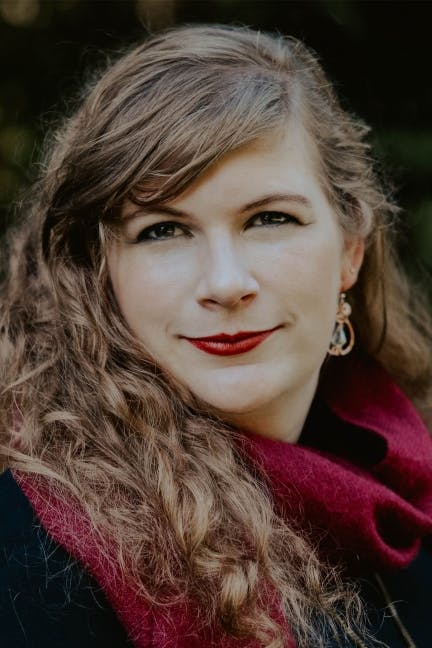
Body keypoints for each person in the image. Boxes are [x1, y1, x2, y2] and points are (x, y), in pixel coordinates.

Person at [0, 23, 431, 648]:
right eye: (162, 230)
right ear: (100, 273)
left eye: (270, 219)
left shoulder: (404, 490)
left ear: (350, 251)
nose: (225, 284)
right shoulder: (33, 550)